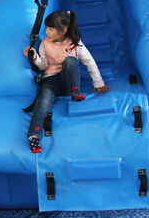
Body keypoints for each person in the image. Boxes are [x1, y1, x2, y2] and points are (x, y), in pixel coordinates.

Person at [23, 10, 110, 153]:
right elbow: (43, 66)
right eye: (46, 28)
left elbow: (89, 62)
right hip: (50, 82)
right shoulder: (44, 43)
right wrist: (34, 58)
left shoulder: (74, 43)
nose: (47, 32)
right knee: (42, 105)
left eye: (51, 29)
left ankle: (75, 92)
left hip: (68, 81)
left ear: (63, 31)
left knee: (70, 61)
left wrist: (98, 83)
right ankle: (34, 136)